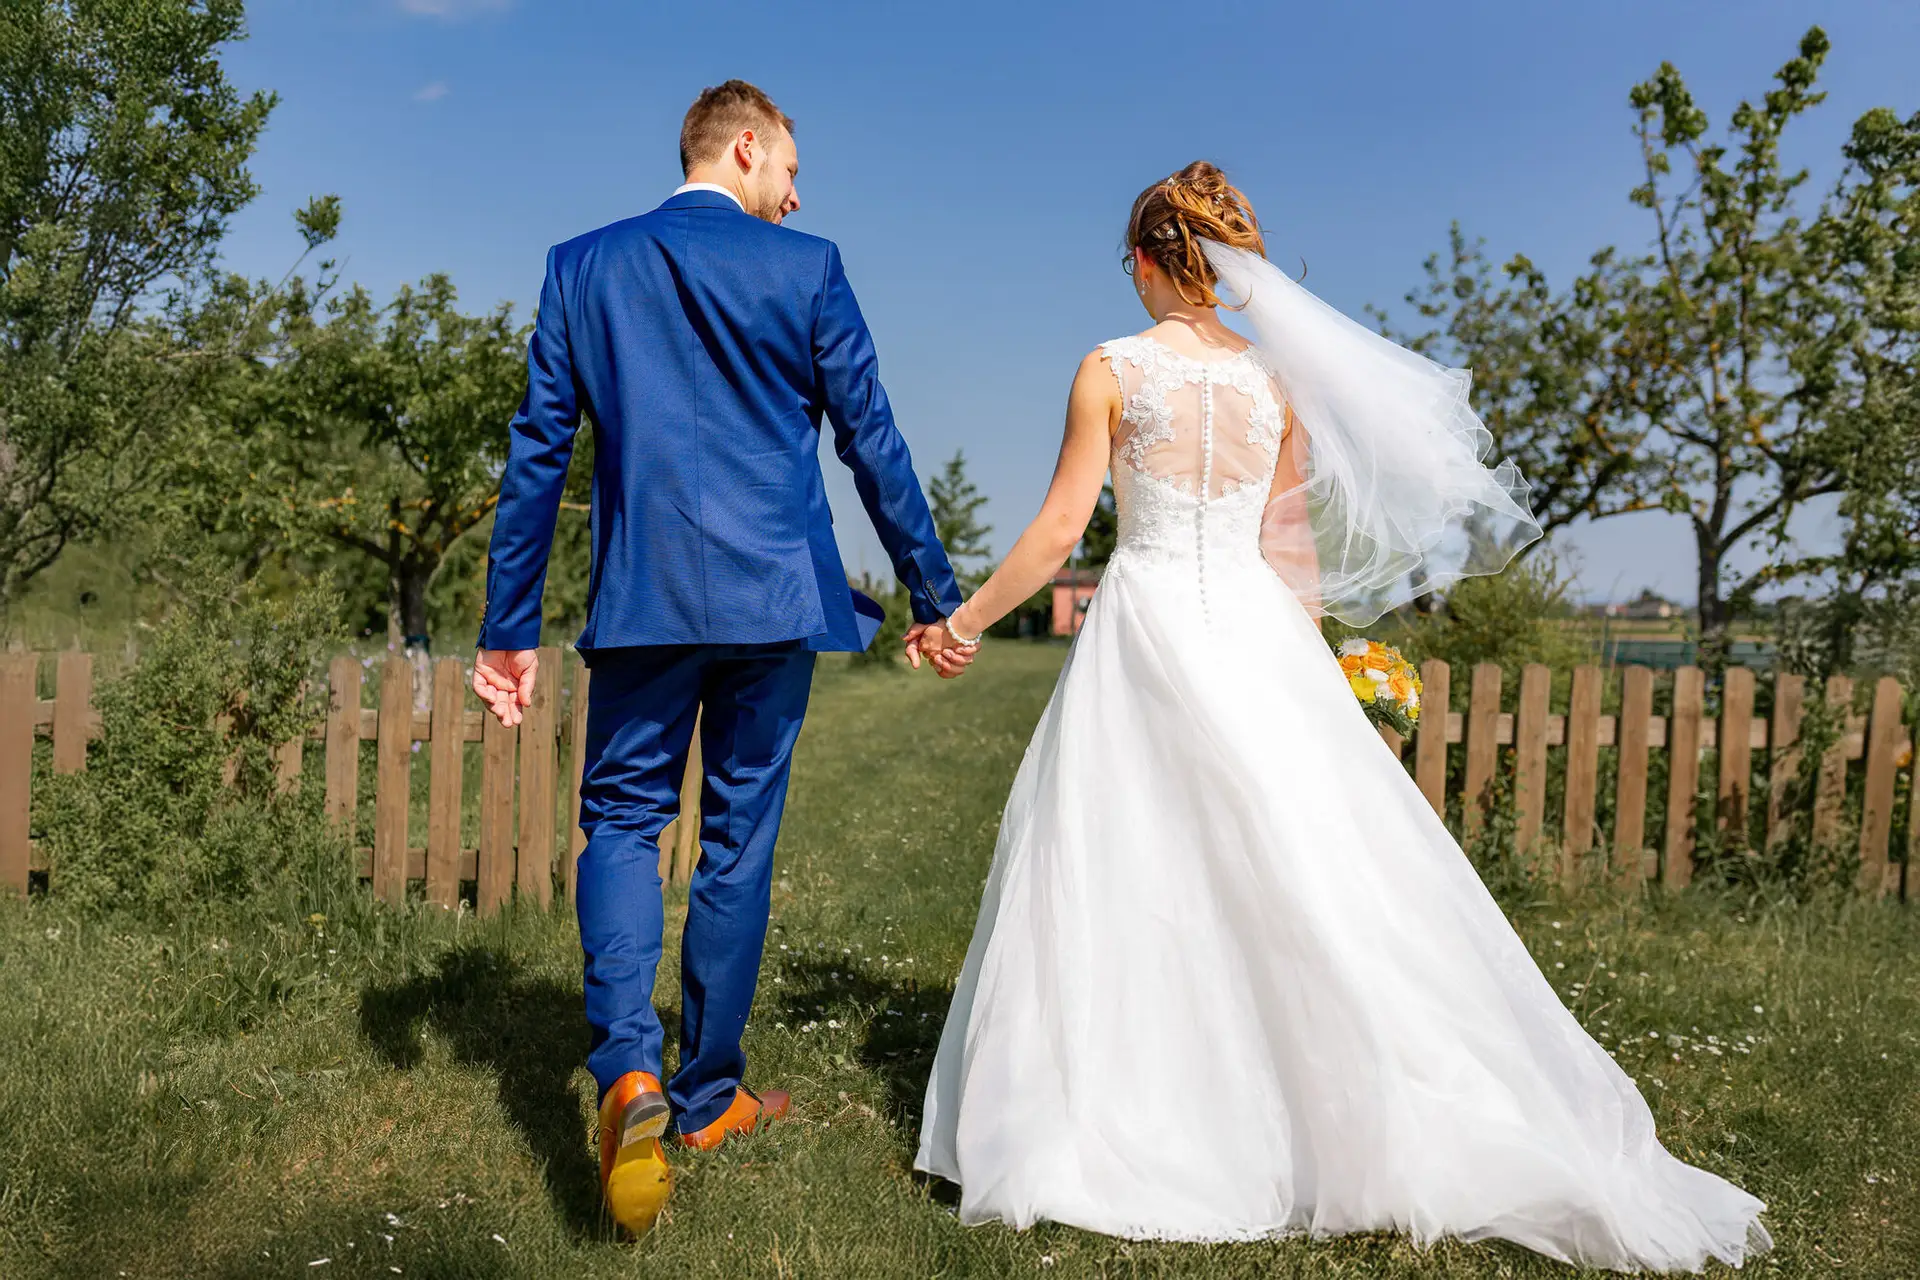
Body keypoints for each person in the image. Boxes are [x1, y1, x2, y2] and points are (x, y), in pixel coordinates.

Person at [906, 162, 1771, 1272]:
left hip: (1149, 624)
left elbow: (1060, 530)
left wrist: (966, 618)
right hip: (1258, 635)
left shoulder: (1110, 369)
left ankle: (1137, 1102)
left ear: (1147, 258)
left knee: (1126, 860)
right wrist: (1318, 678)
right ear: (1221, 261)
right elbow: (1293, 555)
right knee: (1300, 867)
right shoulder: (1277, 388)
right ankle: (1325, 1103)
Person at [471, 80, 971, 1236]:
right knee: (739, 836)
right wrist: (933, 594)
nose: (798, 196)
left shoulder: (581, 266)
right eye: (789, 169)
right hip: (772, 603)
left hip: (644, 598)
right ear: (743, 146)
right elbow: (873, 439)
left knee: (624, 822)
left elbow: (540, 451)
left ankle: (630, 1071)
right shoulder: (809, 270)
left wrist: (508, 625)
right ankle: (703, 1097)